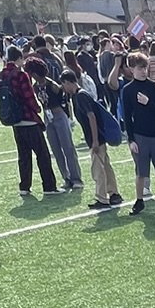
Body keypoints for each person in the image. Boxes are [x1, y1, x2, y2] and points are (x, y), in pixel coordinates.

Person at [0, 46, 60, 199]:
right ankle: (49, 186)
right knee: (42, 155)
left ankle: (24, 186)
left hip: (14, 120)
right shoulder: (21, 75)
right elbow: (28, 96)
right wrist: (37, 108)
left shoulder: (0, 76)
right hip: (29, 120)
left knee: (23, 156)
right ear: (19, 59)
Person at [117, 54, 155, 217]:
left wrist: (148, 102)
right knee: (141, 172)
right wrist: (131, 140)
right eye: (140, 68)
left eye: (145, 68)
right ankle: (139, 201)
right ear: (131, 69)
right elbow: (127, 117)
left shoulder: (154, 87)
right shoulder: (127, 90)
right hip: (140, 135)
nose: (143, 71)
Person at [66, 72, 121, 209]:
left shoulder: (80, 96)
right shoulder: (80, 95)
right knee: (105, 165)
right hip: (97, 136)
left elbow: (91, 117)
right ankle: (114, 193)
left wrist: (95, 140)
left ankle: (102, 198)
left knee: (98, 168)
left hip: (95, 137)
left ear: (68, 82)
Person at [29, 58, 82, 193]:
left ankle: (76, 179)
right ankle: (66, 177)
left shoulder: (53, 85)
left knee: (68, 148)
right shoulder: (35, 87)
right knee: (56, 150)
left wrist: (69, 118)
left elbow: (63, 102)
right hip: (48, 118)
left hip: (59, 116)